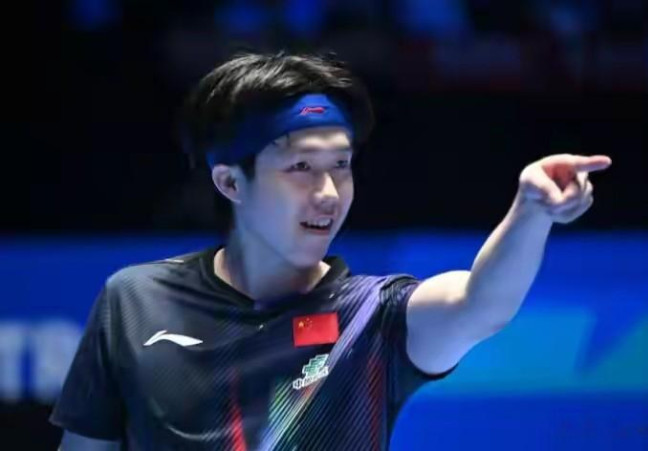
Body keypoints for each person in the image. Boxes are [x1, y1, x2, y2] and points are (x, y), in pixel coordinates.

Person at [50, 51, 611, 450]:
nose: (327, 193)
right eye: (300, 167)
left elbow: (480, 303)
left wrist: (530, 212)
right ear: (231, 182)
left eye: (340, 165)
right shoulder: (135, 299)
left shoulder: (372, 317)